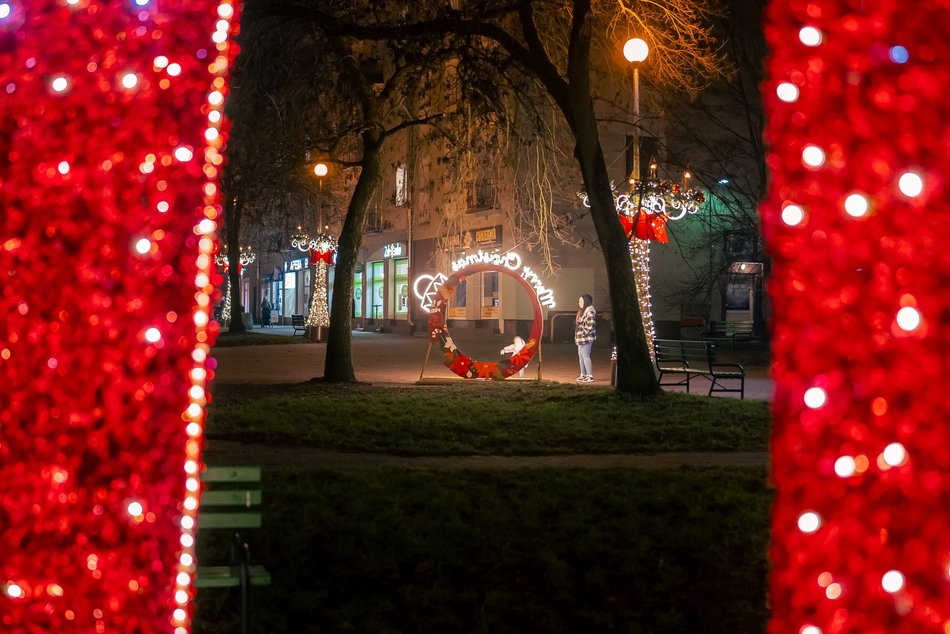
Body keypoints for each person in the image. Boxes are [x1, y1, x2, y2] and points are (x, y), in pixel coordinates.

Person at [575, 294, 596, 383]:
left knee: (586, 356)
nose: (579, 303)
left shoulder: (589, 312)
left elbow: (590, 325)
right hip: (580, 339)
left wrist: (583, 334)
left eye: (581, 301)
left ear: (586, 301)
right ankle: (583, 374)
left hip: (585, 339)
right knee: (581, 357)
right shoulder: (582, 311)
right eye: (579, 301)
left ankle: (589, 375)